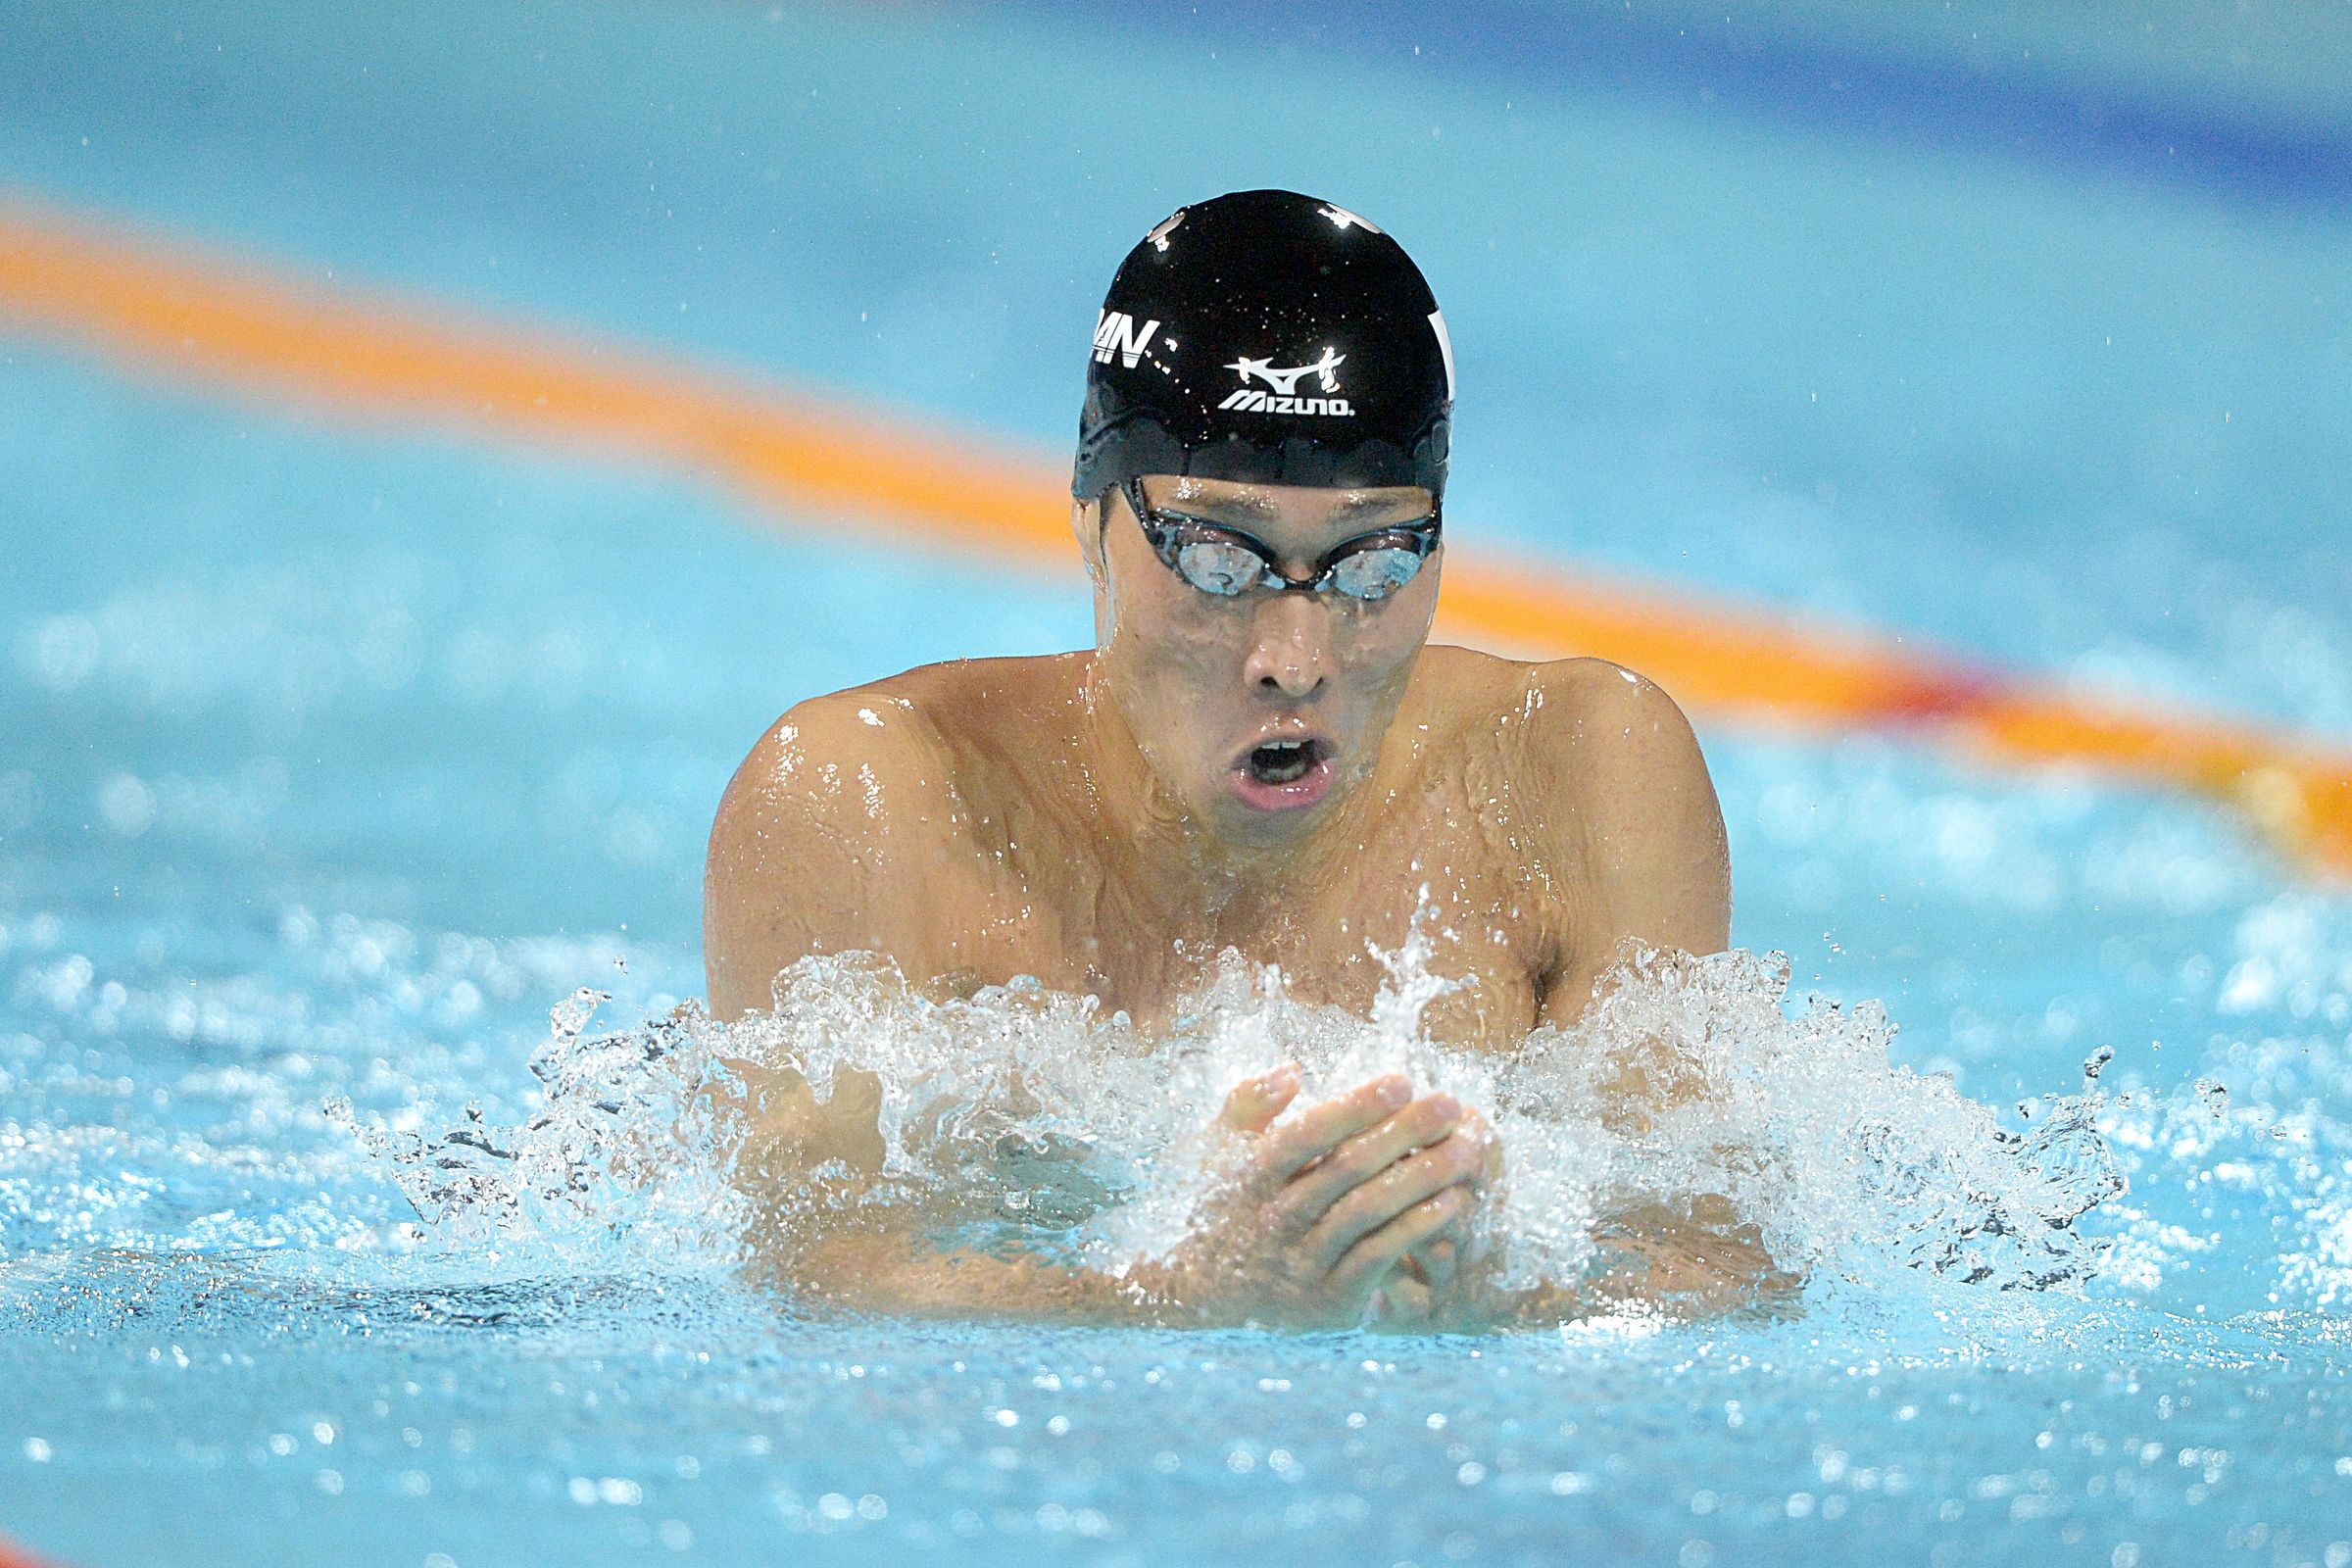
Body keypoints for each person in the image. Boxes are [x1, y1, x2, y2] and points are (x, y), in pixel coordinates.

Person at [704, 190, 1741, 1330]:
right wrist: (1184, 1296)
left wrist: (1501, 1295)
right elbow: (813, 1282)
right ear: (1092, 519)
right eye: (1214, 555)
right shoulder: (865, 800)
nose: (1293, 658)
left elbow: (1719, 1267)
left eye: (1374, 562)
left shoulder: (1581, 773)